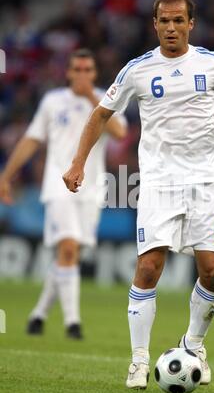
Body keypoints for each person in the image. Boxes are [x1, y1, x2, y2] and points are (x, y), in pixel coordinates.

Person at [63, 0, 214, 385]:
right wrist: (78, 162)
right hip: (157, 182)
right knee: (149, 267)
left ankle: (193, 344)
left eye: (178, 21)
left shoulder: (213, 64)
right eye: (164, 21)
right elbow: (101, 114)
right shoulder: (137, 69)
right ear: (154, 25)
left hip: (206, 180)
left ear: (191, 24)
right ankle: (138, 359)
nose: (171, 28)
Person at [0, 48, 127, 339]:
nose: (82, 75)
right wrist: (7, 175)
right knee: (68, 250)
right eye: (77, 69)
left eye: (87, 70)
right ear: (68, 72)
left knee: (69, 257)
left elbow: (120, 133)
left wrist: (92, 98)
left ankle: (38, 314)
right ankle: (73, 323)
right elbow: (32, 139)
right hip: (58, 186)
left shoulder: (107, 99)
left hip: (92, 190)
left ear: (94, 74)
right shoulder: (52, 101)